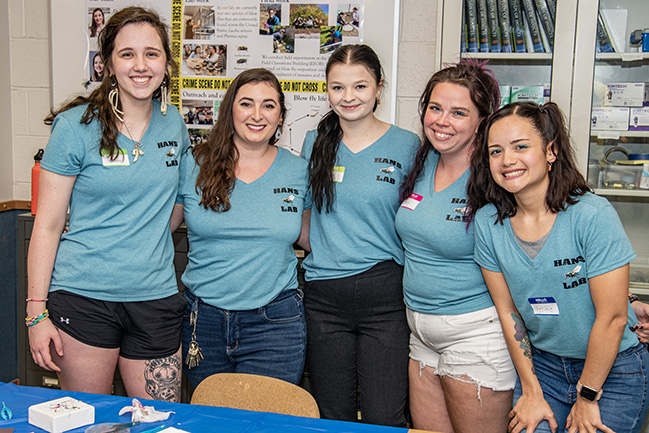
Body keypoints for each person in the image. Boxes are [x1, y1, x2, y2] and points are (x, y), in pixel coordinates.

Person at [26, 7, 189, 401]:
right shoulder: (76, 127)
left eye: (151, 53)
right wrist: (36, 313)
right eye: (127, 53)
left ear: (166, 64)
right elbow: (47, 226)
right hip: (84, 298)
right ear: (108, 64)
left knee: (160, 423)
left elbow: (177, 203)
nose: (140, 65)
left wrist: (141, 238)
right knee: (87, 420)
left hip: (154, 298)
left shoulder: (174, 123)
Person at [468, 101, 649, 433]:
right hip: (544, 368)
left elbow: (612, 317)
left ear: (550, 151)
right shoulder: (488, 223)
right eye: (495, 151)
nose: (507, 160)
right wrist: (531, 387)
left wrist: (588, 397)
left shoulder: (591, 214)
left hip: (612, 373)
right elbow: (509, 312)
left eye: (520, 146)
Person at [394, 61, 516, 433]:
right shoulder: (424, 160)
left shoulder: (497, 176)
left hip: (476, 331)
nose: (442, 121)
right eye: (435, 108)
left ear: (482, 120)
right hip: (421, 332)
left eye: (459, 112)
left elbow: (540, 248)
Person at [301, 44, 419, 427]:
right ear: (327, 90)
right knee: (331, 415)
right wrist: (326, 246)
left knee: (383, 414)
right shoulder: (313, 143)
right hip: (323, 298)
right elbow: (303, 213)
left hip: (384, 298)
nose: (348, 97)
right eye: (338, 87)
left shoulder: (408, 145)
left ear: (379, 88)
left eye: (360, 86)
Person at [172, 68, 309, 390]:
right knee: (210, 421)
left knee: (265, 422)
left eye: (269, 105)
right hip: (202, 321)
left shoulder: (299, 170)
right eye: (247, 104)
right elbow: (159, 226)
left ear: (281, 116)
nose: (257, 115)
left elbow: (314, 237)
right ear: (230, 109)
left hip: (275, 322)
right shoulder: (194, 164)